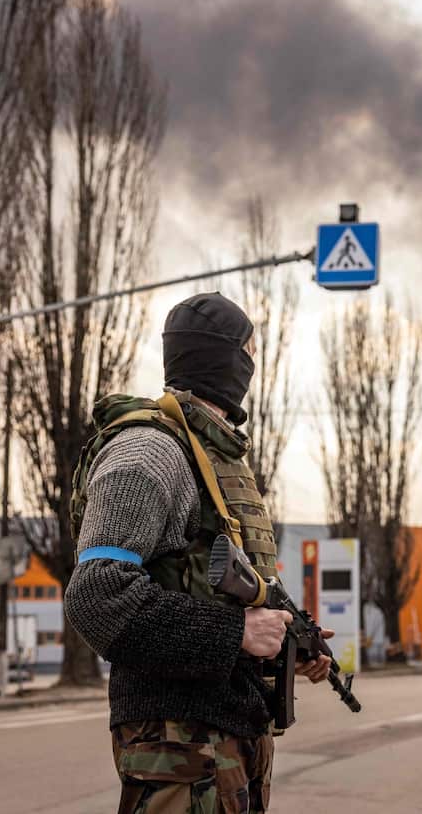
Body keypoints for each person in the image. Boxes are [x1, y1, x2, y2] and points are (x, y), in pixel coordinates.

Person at [64, 292, 330, 814]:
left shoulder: (211, 455)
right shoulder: (148, 451)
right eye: (247, 353)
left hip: (223, 738)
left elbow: (223, 588)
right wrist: (238, 633)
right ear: (228, 359)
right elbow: (96, 597)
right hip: (178, 745)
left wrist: (290, 641)